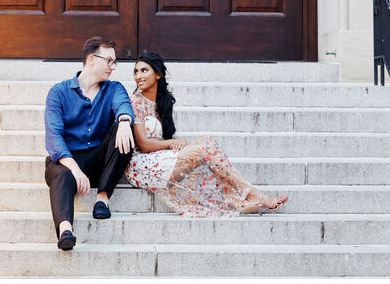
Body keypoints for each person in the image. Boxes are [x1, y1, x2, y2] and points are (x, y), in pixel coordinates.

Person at [125, 52, 288, 217]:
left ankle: (235, 196)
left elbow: (161, 139)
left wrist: (174, 143)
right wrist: (172, 143)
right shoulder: (135, 102)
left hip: (158, 159)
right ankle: (251, 194)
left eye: (144, 70)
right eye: (136, 72)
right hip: (141, 167)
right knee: (204, 149)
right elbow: (143, 144)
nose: (138, 76)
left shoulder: (162, 103)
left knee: (207, 142)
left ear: (158, 74)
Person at [44, 36, 135, 250]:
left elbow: (123, 105)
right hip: (67, 161)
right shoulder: (59, 92)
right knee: (61, 172)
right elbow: (54, 137)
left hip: (98, 160)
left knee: (124, 128)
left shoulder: (113, 89)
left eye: (115, 62)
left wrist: (123, 121)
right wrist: (75, 170)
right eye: (109, 61)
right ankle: (66, 230)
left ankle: (102, 198)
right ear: (92, 59)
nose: (113, 67)